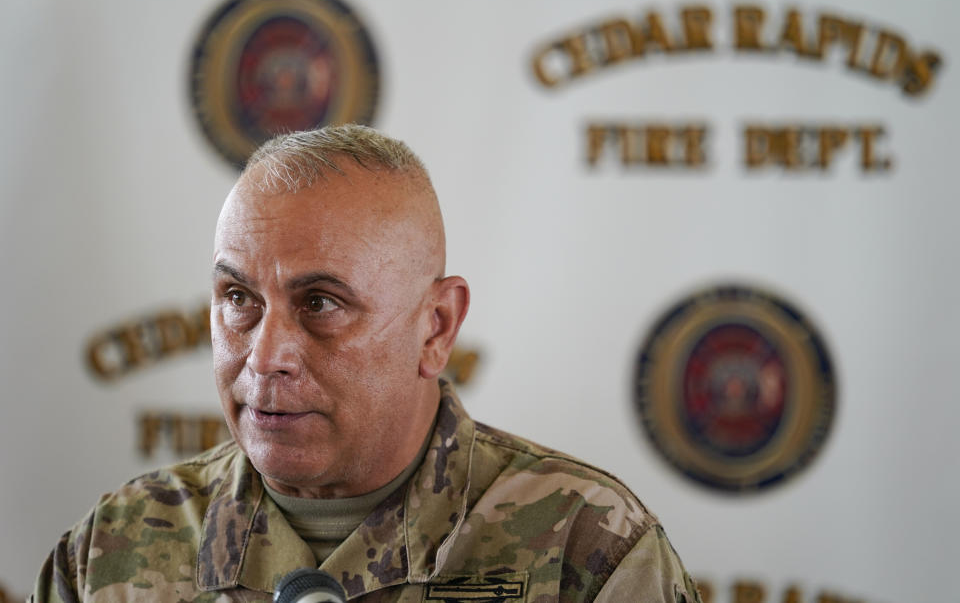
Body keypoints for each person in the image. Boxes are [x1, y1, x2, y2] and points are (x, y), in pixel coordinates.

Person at [31, 125, 702, 602]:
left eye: (320, 303)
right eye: (238, 298)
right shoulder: (110, 554)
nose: (265, 358)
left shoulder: (586, 548)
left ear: (436, 327)